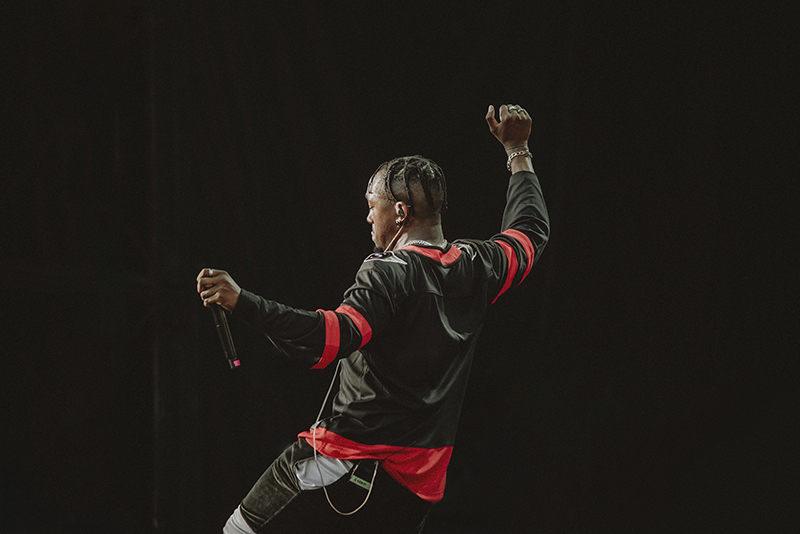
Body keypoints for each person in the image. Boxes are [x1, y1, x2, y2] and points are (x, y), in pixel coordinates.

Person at [197, 104, 549, 533]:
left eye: (372, 206)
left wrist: (242, 303)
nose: (367, 217)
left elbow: (329, 339)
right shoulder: (478, 266)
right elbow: (530, 232)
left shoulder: (389, 273)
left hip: (349, 463)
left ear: (400, 212)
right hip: (417, 487)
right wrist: (518, 150)